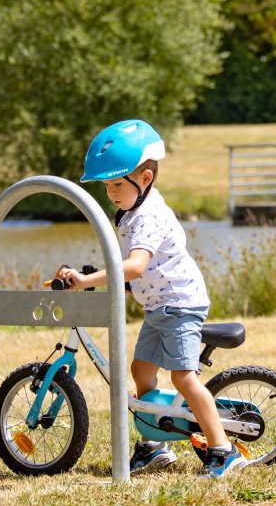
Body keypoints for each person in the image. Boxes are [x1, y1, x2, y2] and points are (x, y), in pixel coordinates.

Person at [55, 119, 248, 478]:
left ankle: (224, 450)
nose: (110, 192)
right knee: (141, 369)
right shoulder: (131, 213)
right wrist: (105, 279)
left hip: (180, 304)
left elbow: (135, 265)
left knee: (183, 378)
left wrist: (87, 280)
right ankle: (154, 445)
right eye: (106, 185)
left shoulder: (148, 217)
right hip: (160, 305)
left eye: (116, 184)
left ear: (144, 179)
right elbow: (138, 270)